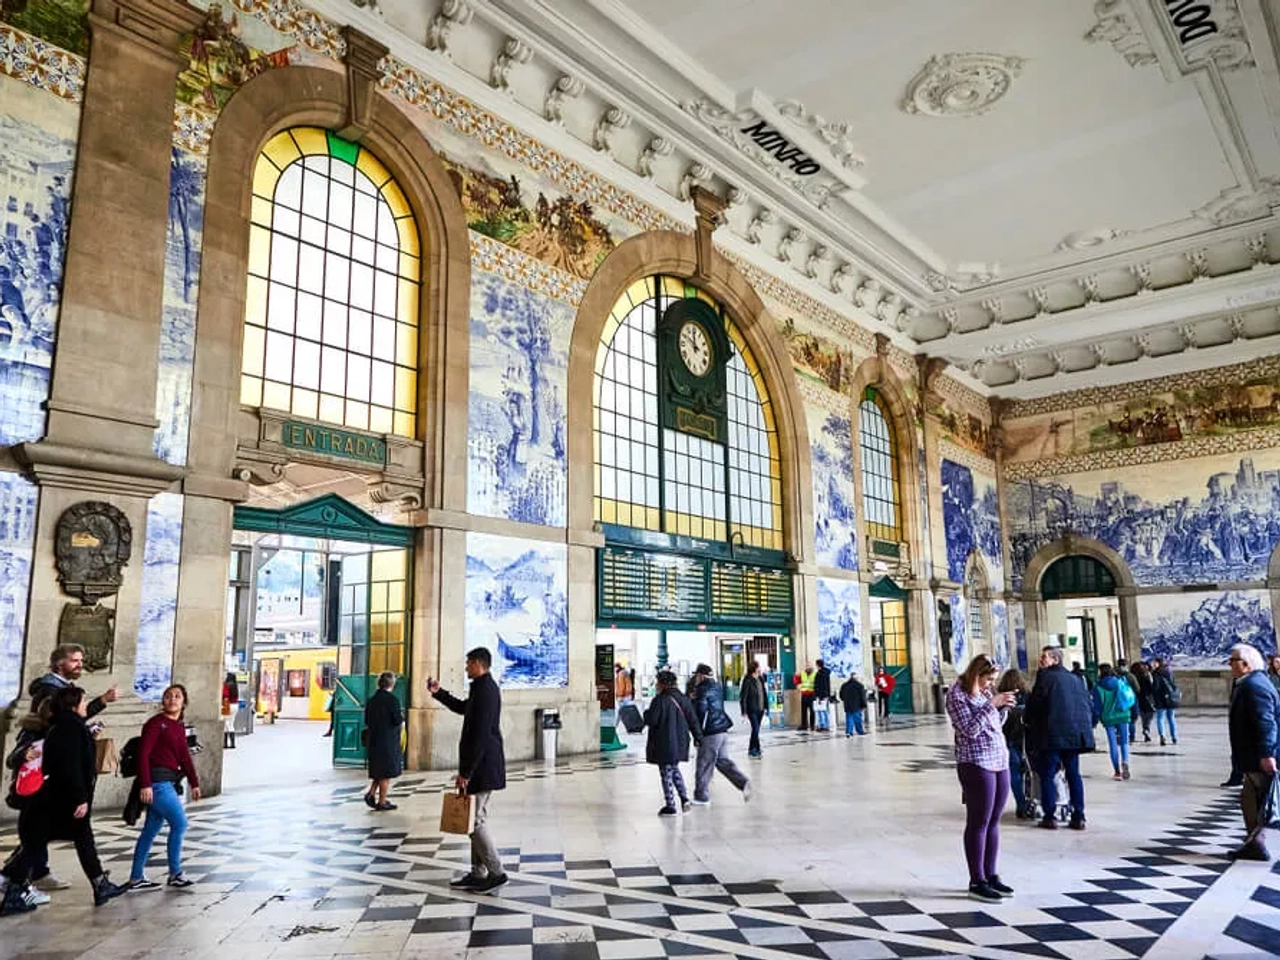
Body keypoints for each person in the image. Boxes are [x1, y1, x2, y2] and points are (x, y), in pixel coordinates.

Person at [0, 687, 127, 914]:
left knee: (54, 841)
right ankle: (13, 890)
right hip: (62, 800)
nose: (85, 705)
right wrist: (80, 798)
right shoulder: (69, 728)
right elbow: (70, 768)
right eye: (83, 701)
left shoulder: (65, 726)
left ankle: (100, 884)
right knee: (42, 843)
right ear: (73, 705)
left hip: (55, 799)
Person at [7, 643, 119, 895]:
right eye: (75, 660)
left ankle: (23, 878)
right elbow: (53, 733)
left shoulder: (64, 707)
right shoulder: (51, 693)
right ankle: (19, 881)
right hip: (51, 780)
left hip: (56, 781)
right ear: (59, 663)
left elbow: (70, 723)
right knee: (40, 834)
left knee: (45, 834)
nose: (80, 665)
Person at [429, 648, 507, 892]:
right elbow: (464, 708)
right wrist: (439, 693)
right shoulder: (481, 688)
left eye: (468, 664)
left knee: (474, 820)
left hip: (483, 765)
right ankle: (478, 873)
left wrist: (466, 772)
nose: (465, 668)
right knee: (475, 817)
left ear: (478, 664)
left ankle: (496, 872)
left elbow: (480, 736)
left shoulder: (485, 690)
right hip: (482, 764)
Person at [945, 655, 1015, 904]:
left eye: (994, 680)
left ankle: (991, 874)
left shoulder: (985, 693)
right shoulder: (957, 694)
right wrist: (991, 705)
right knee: (979, 821)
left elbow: (994, 724)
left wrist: (1002, 708)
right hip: (975, 761)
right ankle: (977, 880)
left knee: (994, 820)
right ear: (977, 674)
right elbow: (969, 730)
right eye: (988, 679)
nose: (991, 684)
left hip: (999, 758)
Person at [127, 684, 201, 890]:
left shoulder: (178, 726)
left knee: (150, 830)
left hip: (168, 780)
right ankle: (175, 873)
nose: (172, 699)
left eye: (177, 696)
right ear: (163, 700)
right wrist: (146, 784)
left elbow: (184, 757)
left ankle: (136, 877)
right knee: (180, 823)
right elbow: (143, 754)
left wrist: (194, 782)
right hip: (157, 782)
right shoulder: (155, 724)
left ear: (183, 702)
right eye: (168, 696)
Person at [1024, 645, 1095, 831]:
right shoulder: (1075, 679)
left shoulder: (1045, 677)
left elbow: (1035, 705)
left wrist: (1028, 719)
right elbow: (1087, 705)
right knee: (1073, 775)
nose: (1040, 661)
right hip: (1074, 734)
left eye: (1044, 658)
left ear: (1055, 660)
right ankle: (1078, 816)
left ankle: (1050, 816)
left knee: (1047, 774)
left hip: (1052, 734)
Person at [1226, 643, 1280, 861]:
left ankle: (1257, 844)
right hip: (1252, 755)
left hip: (1258, 756)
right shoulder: (1251, 683)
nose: (1230, 664)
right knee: (1249, 799)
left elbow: (1266, 723)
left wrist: (1267, 754)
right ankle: (1254, 842)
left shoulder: (1254, 686)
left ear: (1246, 665)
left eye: (1233, 661)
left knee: (1260, 801)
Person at [688, 664, 751, 805]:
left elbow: (701, 711)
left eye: (696, 675)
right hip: (722, 729)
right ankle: (743, 782)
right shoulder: (717, 686)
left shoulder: (702, 689)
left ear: (701, 676)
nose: (695, 678)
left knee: (704, 764)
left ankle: (701, 796)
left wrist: (698, 734)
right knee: (723, 761)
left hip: (710, 731)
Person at [645, 670, 699, 816]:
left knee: (666, 773)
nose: (656, 685)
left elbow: (652, 720)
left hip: (664, 742)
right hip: (680, 742)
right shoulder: (683, 699)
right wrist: (698, 737)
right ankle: (685, 799)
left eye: (658, 682)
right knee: (673, 769)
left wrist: (646, 713)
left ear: (663, 684)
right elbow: (693, 720)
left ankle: (671, 805)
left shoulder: (659, 700)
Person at [363, 672, 403, 811]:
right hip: (387, 741)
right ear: (392, 684)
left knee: (379, 771)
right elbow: (397, 720)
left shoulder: (371, 700)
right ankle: (382, 801)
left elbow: (366, 720)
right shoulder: (392, 700)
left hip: (374, 740)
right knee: (386, 773)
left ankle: (371, 793)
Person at [997, 668, 1031, 818]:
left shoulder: (1000, 698)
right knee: (1029, 773)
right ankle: (1030, 801)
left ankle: (1021, 804)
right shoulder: (1029, 697)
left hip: (1008, 742)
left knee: (1015, 774)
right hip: (1027, 742)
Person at [1091, 664, 1133, 781]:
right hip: (1123, 714)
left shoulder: (1098, 687)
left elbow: (1097, 708)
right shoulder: (1120, 682)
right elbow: (1129, 697)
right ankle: (1125, 761)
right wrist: (1133, 713)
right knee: (1124, 741)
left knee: (1112, 743)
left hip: (1108, 717)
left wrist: (1094, 721)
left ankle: (1117, 771)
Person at [740, 660, 769, 757]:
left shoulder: (760, 678)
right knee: (755, 728)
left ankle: (756, 748)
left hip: (760, 708)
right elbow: (743, 696)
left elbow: (763, 693)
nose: (760, 668)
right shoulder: (747, 680)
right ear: (755, 668)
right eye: (759, 666)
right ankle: (753, 749)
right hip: (752, 708)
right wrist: (744, 711)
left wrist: (766, 706)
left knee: (757, 729)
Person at [1151, 658, 1179, 746]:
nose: (1153, 664)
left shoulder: (1156, 673)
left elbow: (1155, 687)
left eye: (1155, 663)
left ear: (1158, 663)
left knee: (1160, 718)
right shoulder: (1169, 672)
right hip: (1170, 698)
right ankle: (1174, 737)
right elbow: (1173, 684)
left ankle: (1162, 736)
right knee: (1171, 718)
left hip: (1160, 699)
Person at [1115, 658, 1139, 745]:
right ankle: (1131, 737)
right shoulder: (1130, 676)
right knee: (1132, 719)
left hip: (1119, 700)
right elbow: (1137, 688)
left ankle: (1120, 735)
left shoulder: (1115, 675)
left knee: (1120, 719)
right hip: (1131, 699)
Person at [1134, 661, 1156, 743]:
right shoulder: (1147, 677)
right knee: (1150, 714)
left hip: (1139, 699)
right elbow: (1151, 688)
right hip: (1148, 698)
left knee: (1143, 716)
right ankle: (1146, 729)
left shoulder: (1135, 677)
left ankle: (1145, 729)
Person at [796, 660, 816, 732]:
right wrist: (798, 685)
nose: (807, 667)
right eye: (806, 665)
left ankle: (812, 726)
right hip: (804, 694)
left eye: (808, 665)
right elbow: (796, 679)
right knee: (803, 711)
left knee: (812, 711)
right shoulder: (802, 673)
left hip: (812, 694)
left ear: (812, 666)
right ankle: (804, 725)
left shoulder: (815, 673)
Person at [220, 672, 239, 750]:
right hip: (235, 705)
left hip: (227, 705)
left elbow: (225, 696)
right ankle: (232, 743)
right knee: (231, 724)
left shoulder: (227, 685)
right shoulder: (235, 686)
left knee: (225, 724)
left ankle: (225, 744)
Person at [813, 659, 832, 732]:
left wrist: (819, 697)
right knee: (824, 710)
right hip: (824, 695)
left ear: (818, 665)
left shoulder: (820, 673)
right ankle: (825, 725)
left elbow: (820, 685)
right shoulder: (825, 673)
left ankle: (823, 725)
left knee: (821, 710)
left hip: (821, 695)